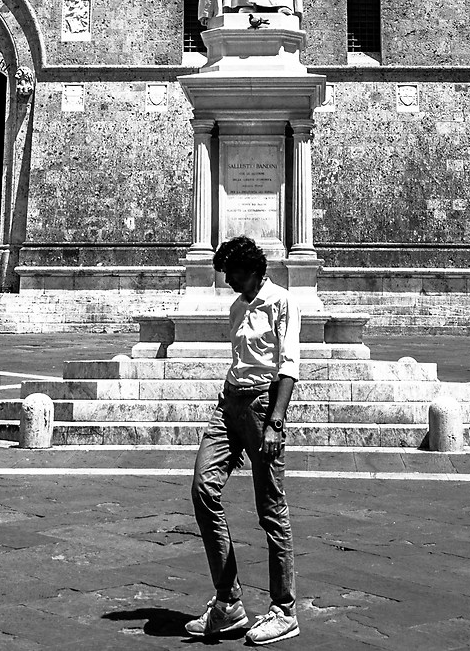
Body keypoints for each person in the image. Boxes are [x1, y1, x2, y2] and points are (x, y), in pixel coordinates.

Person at [185, 235, 300, 645]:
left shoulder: (282, 302)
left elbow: (288, 366)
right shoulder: (237, 308)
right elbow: (239, 360)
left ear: (250, 268)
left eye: (231, 272)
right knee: (203, 489)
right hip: (229, 403)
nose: (227, 280)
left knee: (271, 509)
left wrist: (275, 422)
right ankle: (228, 603)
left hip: (263, 408)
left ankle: (284, 610)